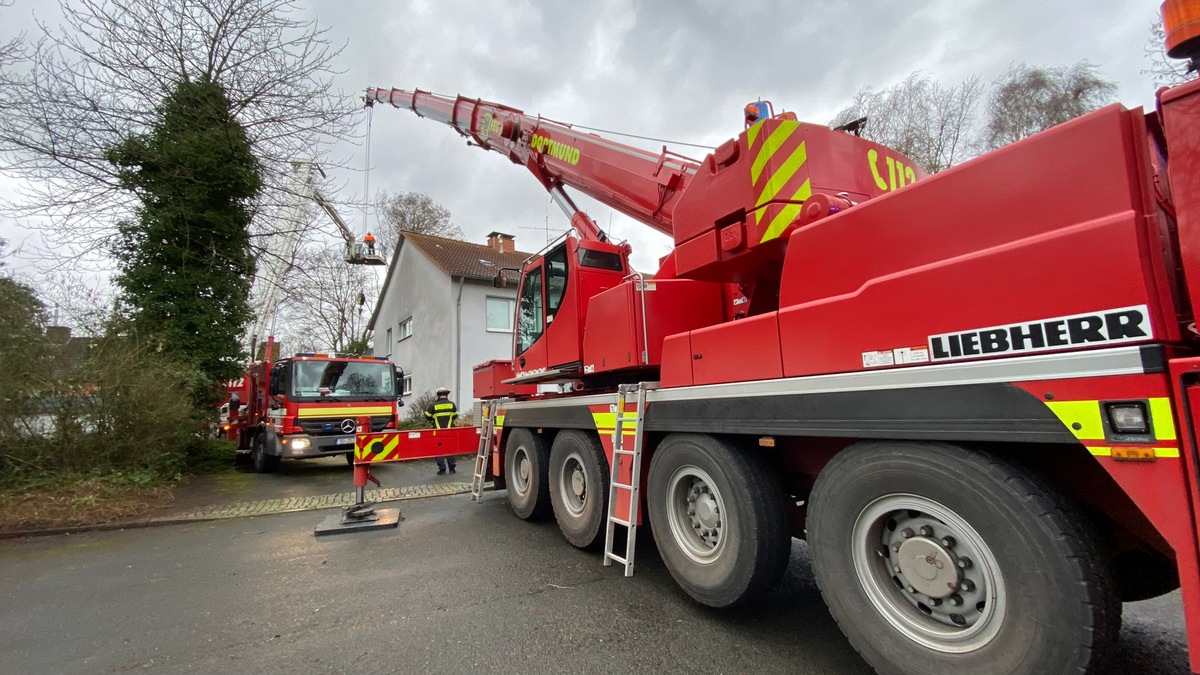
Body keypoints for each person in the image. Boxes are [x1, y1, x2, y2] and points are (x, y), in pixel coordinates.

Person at [425, 387, 458, 474]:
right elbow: (455, 416)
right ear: (447, 395)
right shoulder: (452, 404)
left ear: (438, 395)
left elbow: (427, 416)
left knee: (439, 450)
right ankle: (452, 469)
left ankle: (442, 470)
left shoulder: (433, 405)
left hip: (438, 432)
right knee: (450, 449)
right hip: (450, 432)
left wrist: (434, 417)